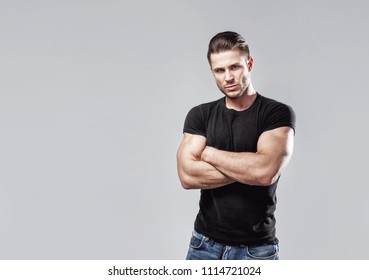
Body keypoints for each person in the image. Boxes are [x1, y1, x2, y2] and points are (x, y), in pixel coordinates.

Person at [176, 31, 295, 260]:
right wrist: (249, 165)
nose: (228, 77)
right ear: (212, 72)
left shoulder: (276, 113)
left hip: (256, 250)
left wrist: (209, 154)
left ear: (249, 64)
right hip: (204, 245)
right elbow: (186, 176)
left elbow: (265, 172)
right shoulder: (200, 115)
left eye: (235, 67)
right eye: (220, 70)